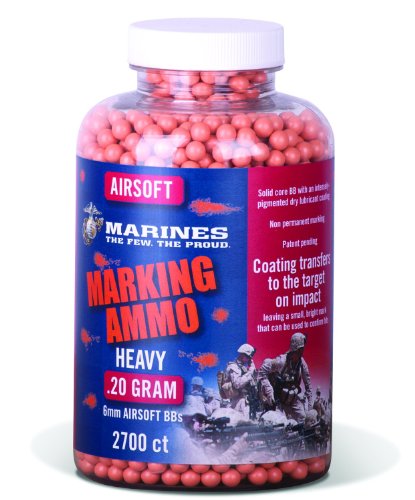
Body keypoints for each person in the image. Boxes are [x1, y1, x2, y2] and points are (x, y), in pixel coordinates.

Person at [258, 332, 312, 424]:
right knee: (278, 422)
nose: (302, 351)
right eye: (300, 349)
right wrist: (269, 391)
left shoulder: (302, 364)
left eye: (302, 349)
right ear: (295, 348)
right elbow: (262, 372)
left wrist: (310, 408)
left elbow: (308, 386)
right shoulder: (281, 361)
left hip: (292, 397)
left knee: (302, 418)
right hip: (277, 398)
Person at [221, 344, 258, 419]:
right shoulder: (234, 366)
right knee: (242, 423)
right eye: (248, 357)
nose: (249, 359)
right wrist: (250, 371)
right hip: (238, 401)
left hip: (245, 400)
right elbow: (237, 384)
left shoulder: (243, 368)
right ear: (243, 355)